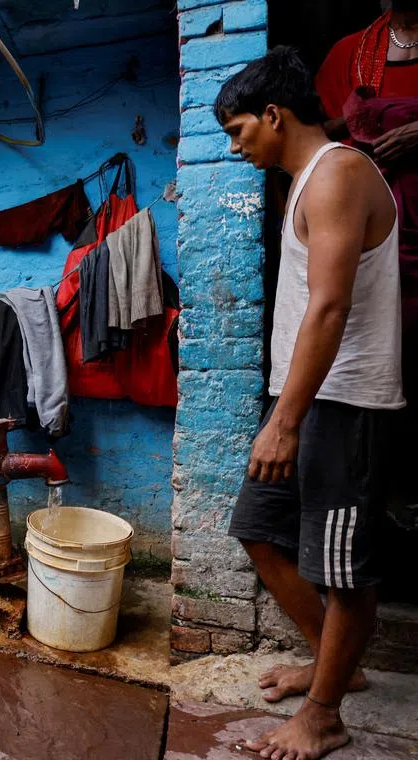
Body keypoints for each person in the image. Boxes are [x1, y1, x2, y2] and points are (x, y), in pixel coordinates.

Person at [217, 47, 404, 760]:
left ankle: (323, 713)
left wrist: (286, 421)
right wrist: (282, 408)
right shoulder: (304, 182)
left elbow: (328, 306)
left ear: (275, 114)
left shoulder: (340, 172)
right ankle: (335, 667)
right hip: (302, 398)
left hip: (343, 402)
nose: (238, 149)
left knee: (343, 568)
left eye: (240, 131)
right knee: (259, 531)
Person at [316, 3, 418, 533]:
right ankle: (383, 500)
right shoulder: (352, 54)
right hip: (380, 236)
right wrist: (363, 127)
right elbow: (317, 130)